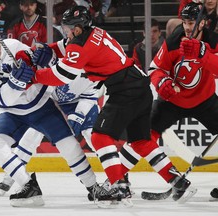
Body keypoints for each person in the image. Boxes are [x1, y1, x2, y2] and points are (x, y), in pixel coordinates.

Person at [19, 5, 194, 205]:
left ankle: (118, 187)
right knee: (141, 141)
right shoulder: (94, 32)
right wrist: (46, 49)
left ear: (77, 28)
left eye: (67, 28)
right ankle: (178, 181)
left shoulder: (79, 45)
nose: (65, 31)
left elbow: (62, 75)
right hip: (140, 87)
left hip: (126, 91)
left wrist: (33, 77)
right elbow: (65, 46)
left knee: (100, 136)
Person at [0, 23, 99, 207]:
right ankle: (28, 185)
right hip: (13, 113)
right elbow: (2, 98)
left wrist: (46, 58)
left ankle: (93, 187)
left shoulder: (13, 45)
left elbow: (37, 62)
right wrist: (15, 82)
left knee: (69, 145)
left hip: (41, 106)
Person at [149, 2, 218, 199]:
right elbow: (155, 69)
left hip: (205, 100)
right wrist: (162, 82)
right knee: (143, 134)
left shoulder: (213, 41)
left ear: (203, 23)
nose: (188, 27)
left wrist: (203, 54)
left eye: (191, 22)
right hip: (173, 100)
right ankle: (121, 179)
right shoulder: (173, 40)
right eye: (185, 22)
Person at [0, 67, 100, 199]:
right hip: (50, 98)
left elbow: (92, 93)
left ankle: (116, 177)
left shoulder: (92, 65)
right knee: (33, 133)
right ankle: (13, 173)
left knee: (92, 135)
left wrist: (79, 113)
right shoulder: (56, 53)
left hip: (79, 101)